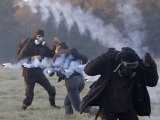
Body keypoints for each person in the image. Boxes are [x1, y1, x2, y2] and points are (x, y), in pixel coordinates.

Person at [80, 47, 159, 120]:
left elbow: (152, 82)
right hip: (107, 106)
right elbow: (88, 70)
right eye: (128, 65)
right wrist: (104, 56)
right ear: (121, 63)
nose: (131, 68)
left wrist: (151, 64)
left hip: (127, 107)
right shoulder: (110, 61)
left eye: (134, 65)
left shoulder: (138, 66)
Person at [52, 37, 96, 115]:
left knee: (78, 106)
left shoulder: (58, 55)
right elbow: (85, 59)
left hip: (72, 81)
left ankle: (95, 111)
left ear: (58, 47)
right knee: (67, 102)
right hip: (81, 79)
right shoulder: (72, 52)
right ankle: (69, 116)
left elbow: (53, 71)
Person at [18, 29, 60, 110]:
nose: (40, 38)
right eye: (38, 36)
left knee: (51, 90)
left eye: (41, 37)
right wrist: (32, 58)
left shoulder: (43, 46)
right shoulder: (28, 44)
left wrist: (56, 46)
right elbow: (20, 58)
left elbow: (51, 55)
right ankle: (22, 110)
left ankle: (53, 105)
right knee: (29, 96)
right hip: (28, 74)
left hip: (39, 73)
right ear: (35, 36)